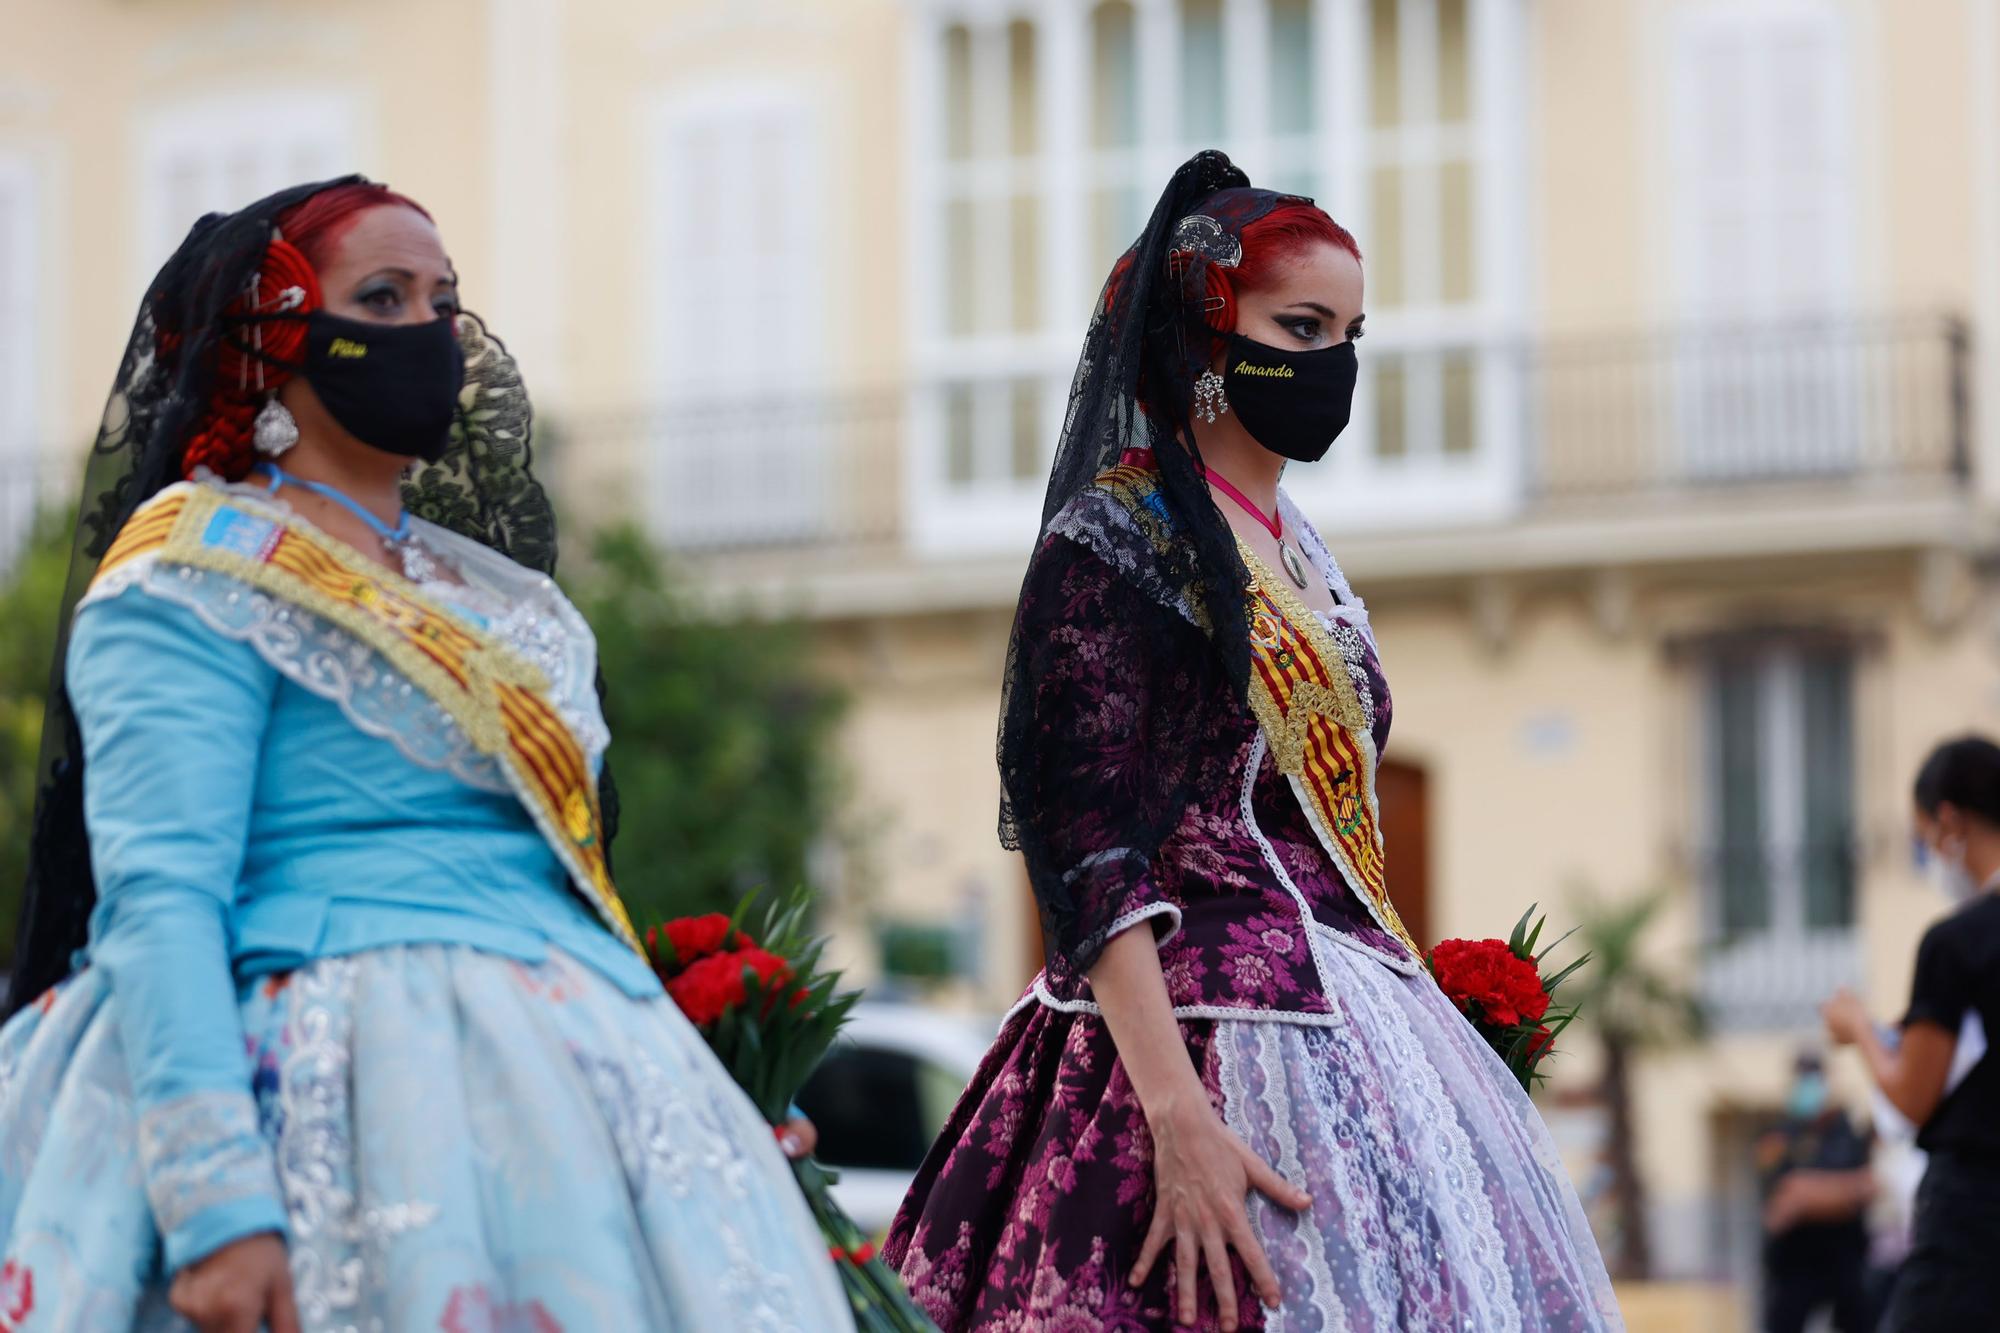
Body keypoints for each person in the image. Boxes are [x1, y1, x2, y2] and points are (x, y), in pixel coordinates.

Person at [0, 178, 852, 1331]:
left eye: (443, 300)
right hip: (323, 1085)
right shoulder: (194, 570)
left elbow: (564, 869)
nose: (428, 332)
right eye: (383, 296)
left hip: (571, 1077)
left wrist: (704, 1089)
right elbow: (161, 901)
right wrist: (216, 1206)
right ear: (275, 339)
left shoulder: (497, 596)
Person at [883, 150, 1621, 1332]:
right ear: (1206, 337)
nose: (1332, 362)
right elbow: (1086, 843)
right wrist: (1174, 1116)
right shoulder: (1112, 540)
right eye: (1302, 324)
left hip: (1354, 1023)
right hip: (1179, 1047)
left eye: (1350, 330)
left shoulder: (1300, 551)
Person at [1823, 734, 2000, 1332]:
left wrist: (1860, 1032)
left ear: (1949, 818)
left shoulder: (1960, 941)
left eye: (1923, 839)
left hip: (1977, 1218)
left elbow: (1912, 1096)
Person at [1754, 1052, 1874, 1333]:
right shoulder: (1778, 1136)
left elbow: (1867, 1186)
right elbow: (1778, 1203)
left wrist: (1807, 1194)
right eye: (1802, 1078)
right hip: (1793, 1264)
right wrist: (1840, 1191)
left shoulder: (1846, 1132)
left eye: (1813, 1078)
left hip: (1845, 1260)